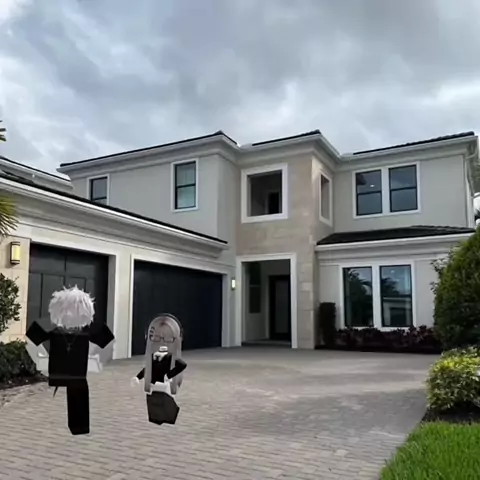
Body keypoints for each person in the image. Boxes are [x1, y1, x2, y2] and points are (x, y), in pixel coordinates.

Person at [25, 286, 114, 435]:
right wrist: (40, 361)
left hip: (77, 376)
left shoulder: (89, 328)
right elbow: (30, 340)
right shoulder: (49, 325)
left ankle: (79, 429)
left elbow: (108, 342)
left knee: (78, 401)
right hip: (58, 374)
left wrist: (98, 360)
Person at [131, 314, 187, 425]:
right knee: (154, 402)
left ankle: (167, 417)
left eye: (168, 338)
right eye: (156, 338)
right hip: (154, 385)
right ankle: (156, 418)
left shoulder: (170, 358)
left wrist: (169, 375)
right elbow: (148, 368)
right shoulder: (154, 357)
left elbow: (181, 365)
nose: (162, 342)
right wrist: (138, 377)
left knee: (166, 402)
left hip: (165, 384)